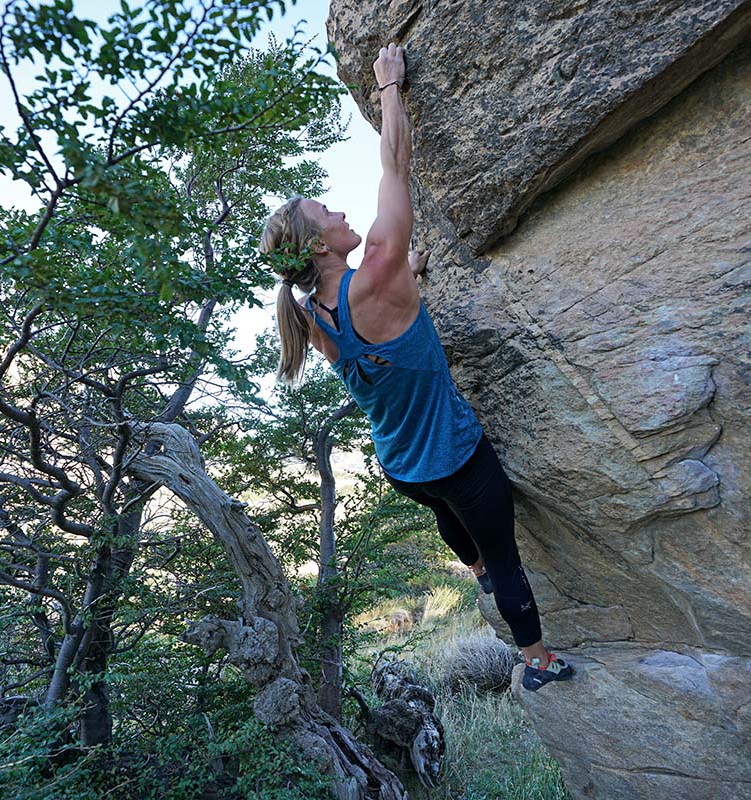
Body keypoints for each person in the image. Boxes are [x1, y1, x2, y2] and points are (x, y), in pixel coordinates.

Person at [259, 43, 574, 692]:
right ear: (319, 244)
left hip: (402, 468)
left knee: (453, 523)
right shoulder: (375, 269)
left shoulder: (310, 317)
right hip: (456, 460)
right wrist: (390, 86)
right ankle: (539, 663)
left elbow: (380, 329)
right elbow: (395, 163)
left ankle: (474, 568)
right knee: (512, 565)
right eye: (327, 213)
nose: (341, 212)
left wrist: (407, 278)